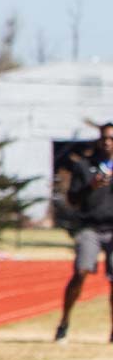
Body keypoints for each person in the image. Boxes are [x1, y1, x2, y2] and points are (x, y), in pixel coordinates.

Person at [55, 121, 113, 343]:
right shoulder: (84, 166)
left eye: (111, 139)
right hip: (90, 226)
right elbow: (72, 200)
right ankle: (64, 322)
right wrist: (92, 186)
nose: (107, 143)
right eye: (104, 138)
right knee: (81, 272)